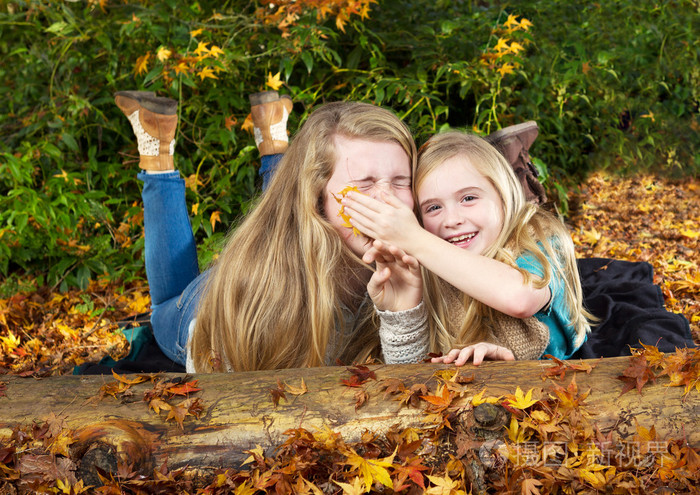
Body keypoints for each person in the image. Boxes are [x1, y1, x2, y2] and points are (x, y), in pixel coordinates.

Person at [114, 90, 431, 372]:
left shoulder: (421, 253)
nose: (387, 201)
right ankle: (158, 155)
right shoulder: (256, 298)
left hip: (275, 253)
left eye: (400, 181)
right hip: (207, 306)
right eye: (364, 184)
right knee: (163, 307)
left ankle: (274, 138)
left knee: (287, 194)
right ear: (317, 195)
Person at [341, 131, 592, 365]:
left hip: (554, 382)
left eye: (468, 198)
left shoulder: (537, 237)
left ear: (504, 196)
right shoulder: (430, 266)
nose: (452, 220)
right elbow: (414, 366)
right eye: (433, 208)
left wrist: (412, 237)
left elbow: (520, 297)